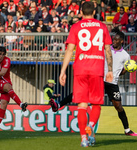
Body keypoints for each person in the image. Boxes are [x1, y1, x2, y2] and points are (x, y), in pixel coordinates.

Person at [57, 2, 113, 147]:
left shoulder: (76, 27)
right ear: (94, 11)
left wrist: (63, 71)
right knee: (96, 104)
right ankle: (91, 125)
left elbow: (69, 50)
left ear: (81, 12)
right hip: (96, 69)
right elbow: (108, 50)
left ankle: (84, 139)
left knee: (81, 105)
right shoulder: (102, 26)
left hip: (80, 70)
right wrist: (110, 70)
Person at [0, 46, 28, 133]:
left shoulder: (7, 60)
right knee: (8, 87)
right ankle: (21, 104)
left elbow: (3, 72)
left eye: (3, 55)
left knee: (4, 104)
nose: (1, 56)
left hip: (6, 82)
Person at [104, 30, 137, 136]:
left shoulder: (125, 55)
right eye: (113, 39)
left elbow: (121, 72)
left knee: (118, 106)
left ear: (122, 41)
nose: (114, 41)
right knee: (86, 95)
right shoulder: (107, 50)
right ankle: (60, 104)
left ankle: (127, 130)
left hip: (113, 83)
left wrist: (128, 69)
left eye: (116, 39)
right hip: (101, 80)